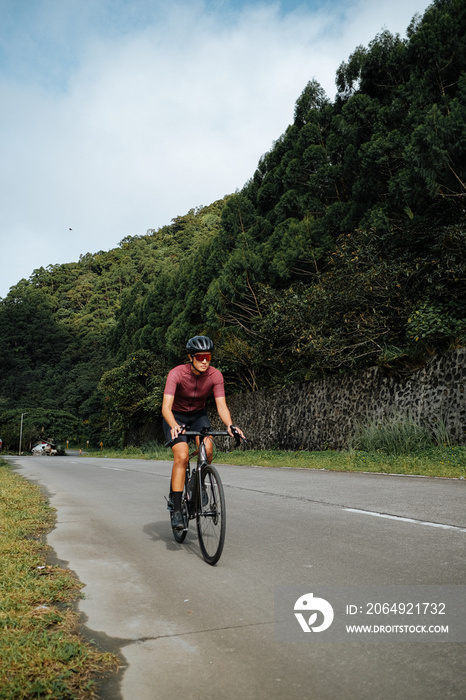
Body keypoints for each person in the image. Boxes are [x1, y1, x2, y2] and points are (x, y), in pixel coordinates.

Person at [162, 335, 245, 530]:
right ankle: (175, 509)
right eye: (200, 357)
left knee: (207, 450)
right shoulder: (176, 374)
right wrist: (174, 424)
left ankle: (196, 485)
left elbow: (221, 406)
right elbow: (166, 407)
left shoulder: (215, 376)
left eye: (208, 356)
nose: (205, 361)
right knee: (182, 455)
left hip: (198, 415)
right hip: (176, 416)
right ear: (191, 357)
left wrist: (230, 425)